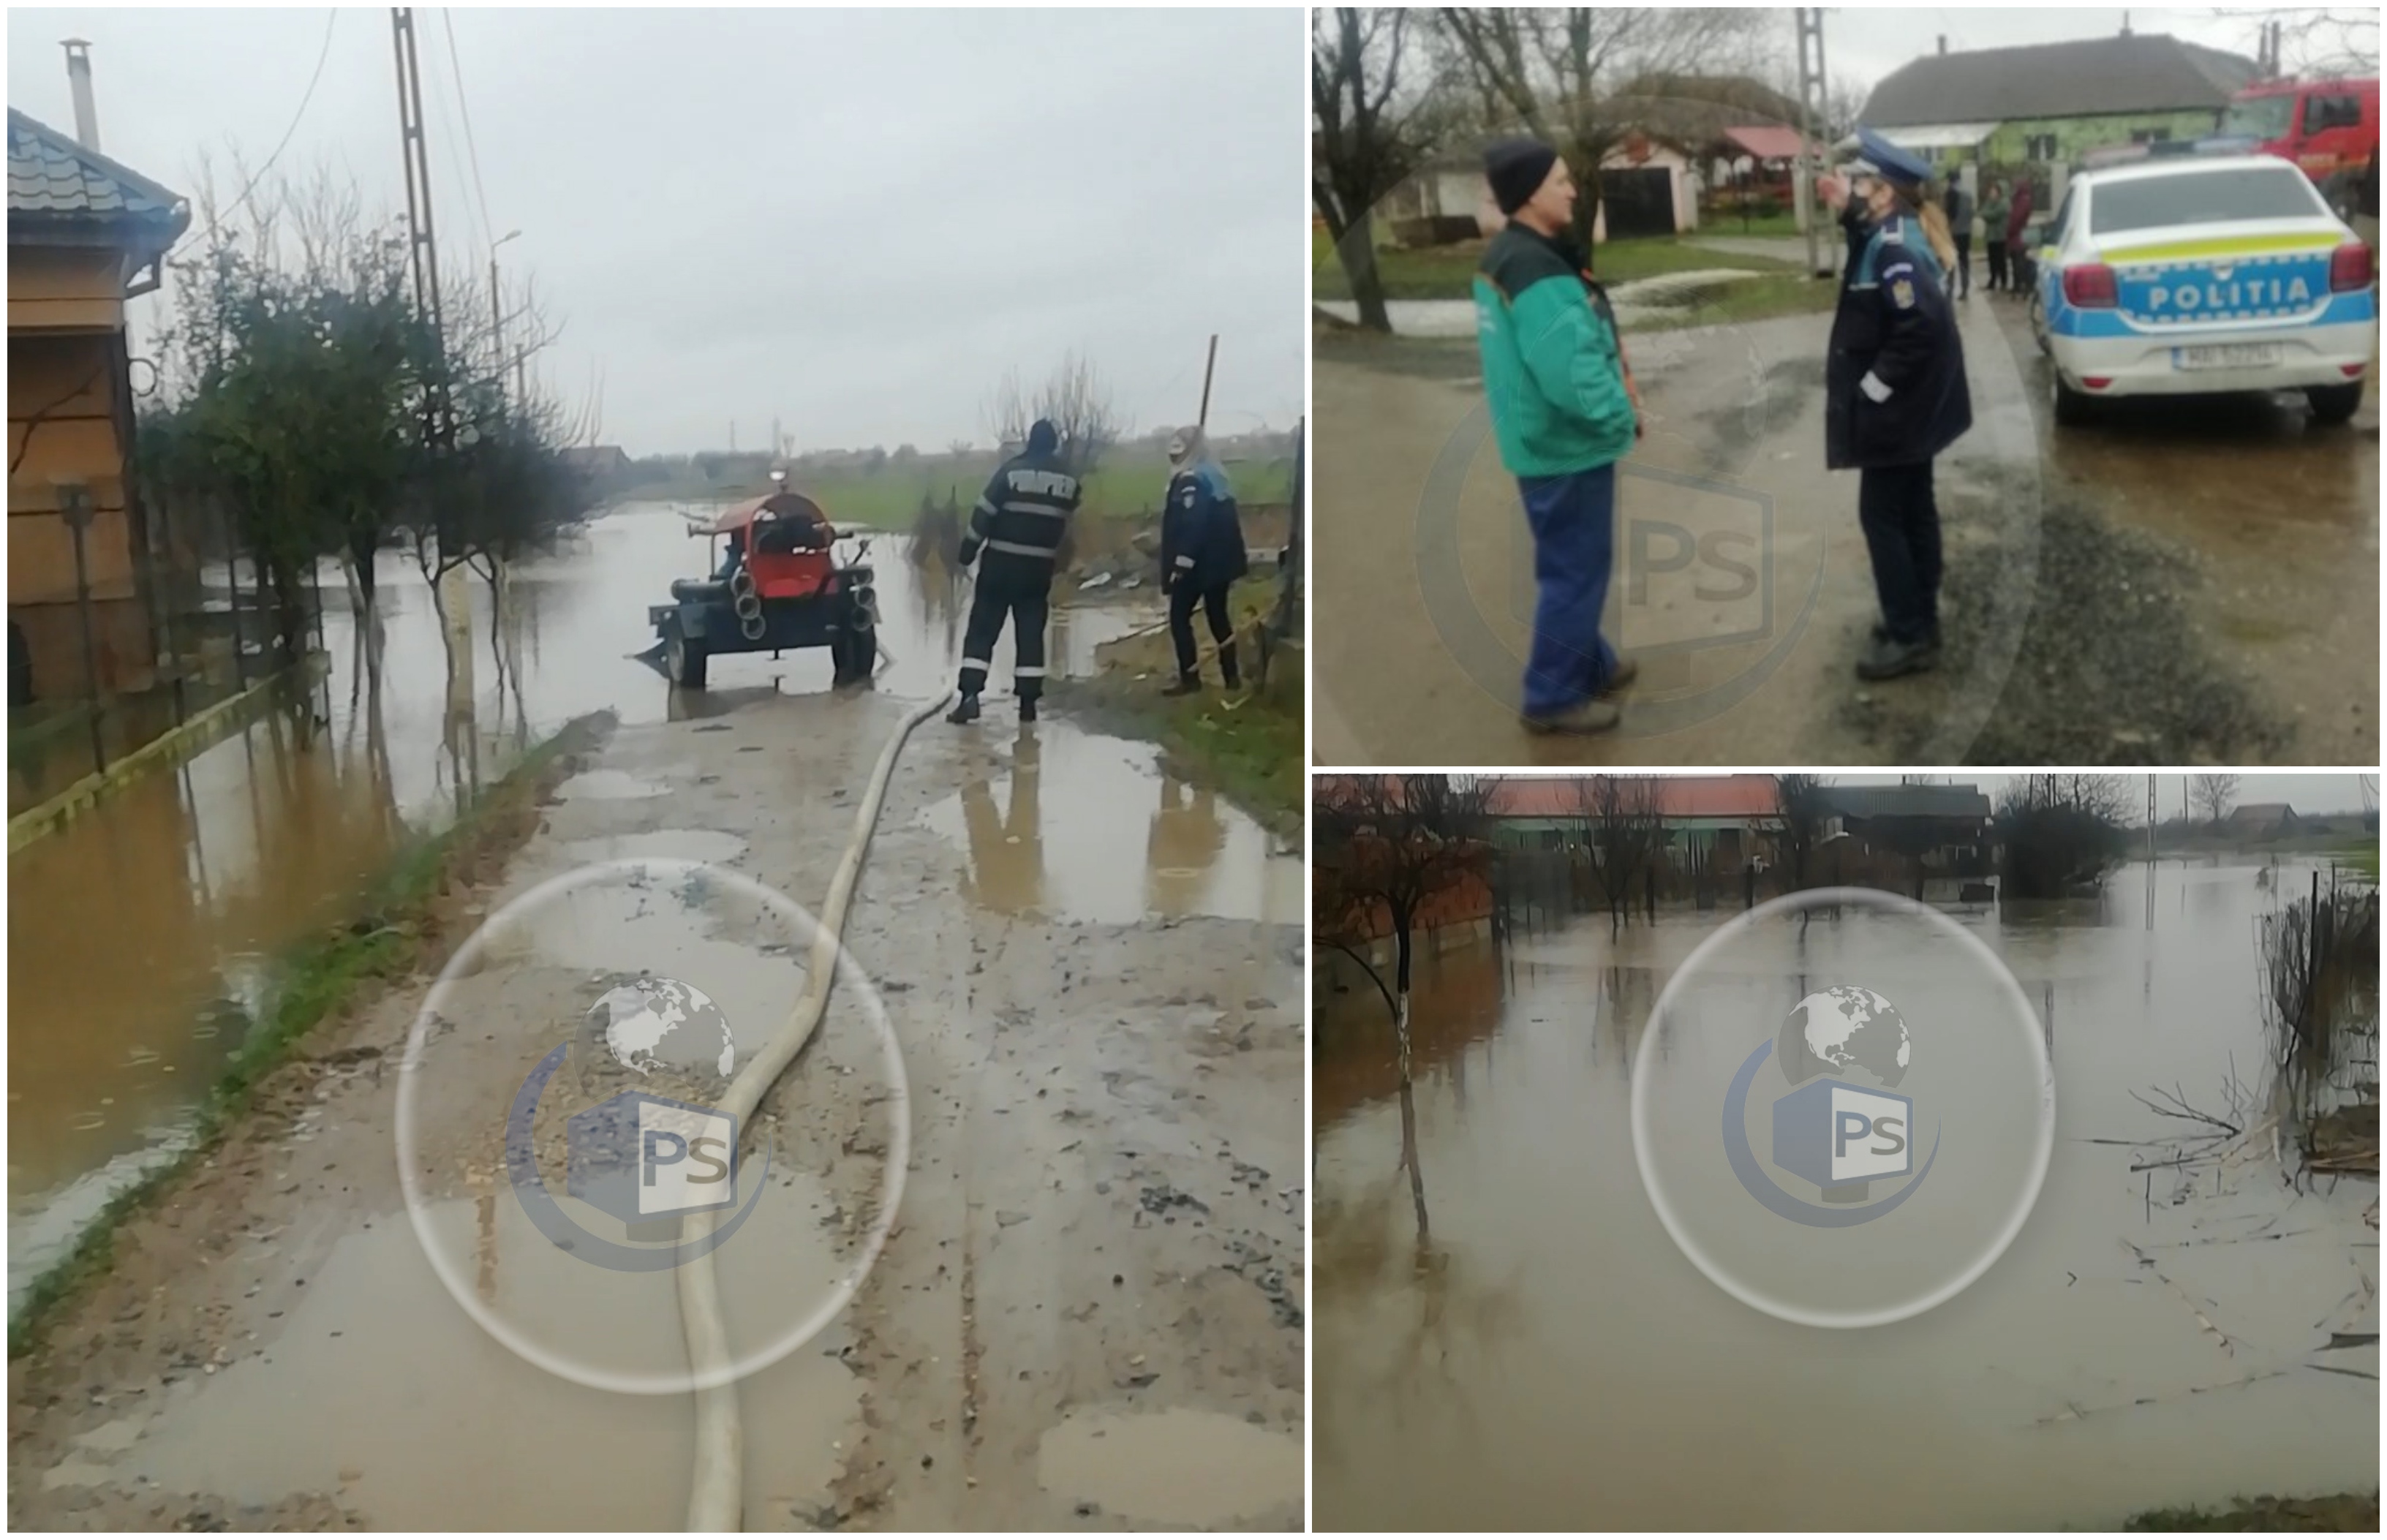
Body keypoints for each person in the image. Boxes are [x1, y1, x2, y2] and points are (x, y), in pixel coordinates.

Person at [1469, 137, 1640, 736]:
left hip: (1542, 444)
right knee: (1575, 569)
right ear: (1532, 192)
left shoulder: (1512, 256)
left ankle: (1591, 663)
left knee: (1571, 562)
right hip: (1565, 446)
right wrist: (1620, 418)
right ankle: (1551, 697)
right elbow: (1572, 376)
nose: (1572, 189)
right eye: (1562, 180)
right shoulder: (1535, 269)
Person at [1820, 127, 1974, 682]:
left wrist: (1870, 391)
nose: (1856, 189)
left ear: (1884, 192)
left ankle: (1909, 633)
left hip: (1898, 415)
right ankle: (1918, 619)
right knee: (1912, 511)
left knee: (1884, 517)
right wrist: (1844, 211)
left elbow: (1919, 332)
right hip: (1915, 415)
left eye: (1862, 182)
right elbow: (1863, 241)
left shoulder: (1893, 250)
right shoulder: (1891, 235)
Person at [949, 417, 1080, 725]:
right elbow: (1066, 525)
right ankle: (1028, 706)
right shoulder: (1070, 482)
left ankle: (969, 698)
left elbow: (983, 514)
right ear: (1055, 444)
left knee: (982, 631)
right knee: (1031, 633)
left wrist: (967, 552)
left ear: (1029, 442)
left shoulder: (1009, 473)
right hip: (1038, 571)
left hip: (1000, 566)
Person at [1158, 425, 1249, 695]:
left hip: (1199, 563)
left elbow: (1193, 523)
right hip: (1220, 563)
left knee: (1179, 617)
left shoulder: (1191, 480)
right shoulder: (1216, 474)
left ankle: (1190, 679)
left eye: (1177, 454)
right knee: (1219, 618)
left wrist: (1182, 562)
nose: (1173, 459)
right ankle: (1232, 679)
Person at [1942, 176, 1974, 299]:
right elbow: (1971, 214)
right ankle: (1965, 289)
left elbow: (1946, 214)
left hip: (1952, 233)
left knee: (1950, 262)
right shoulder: (1968, 196)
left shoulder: (1948, 195)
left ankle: (1949, 290)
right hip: (1965, 233)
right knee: (1964, 261)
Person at [2002, 177, 2035, 298]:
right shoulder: (2021, 199)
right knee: (2017, 262)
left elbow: (2016, 219)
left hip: (2017, 237)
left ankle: (2021, 287)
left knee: (2019, 263)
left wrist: (2009, 230)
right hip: (2018, 236)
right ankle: (2019, 287)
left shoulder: (2022, 200)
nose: (2013, 188)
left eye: (2016, 185)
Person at [1978, 179, 2010, 292]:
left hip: (2000, 236)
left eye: (1994, 191)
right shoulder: (1989, 202)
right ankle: (1992, 281)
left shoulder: (2004, 203)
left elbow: (1993, 215)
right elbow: (1983, 212)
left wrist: (1986, 214)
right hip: (1991, 236)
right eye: (1991, 191)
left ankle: (2004, 282)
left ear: (1999, 192)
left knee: (2001, 260)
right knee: (1992, 260)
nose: (1992, 193)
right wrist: (1986, 213)